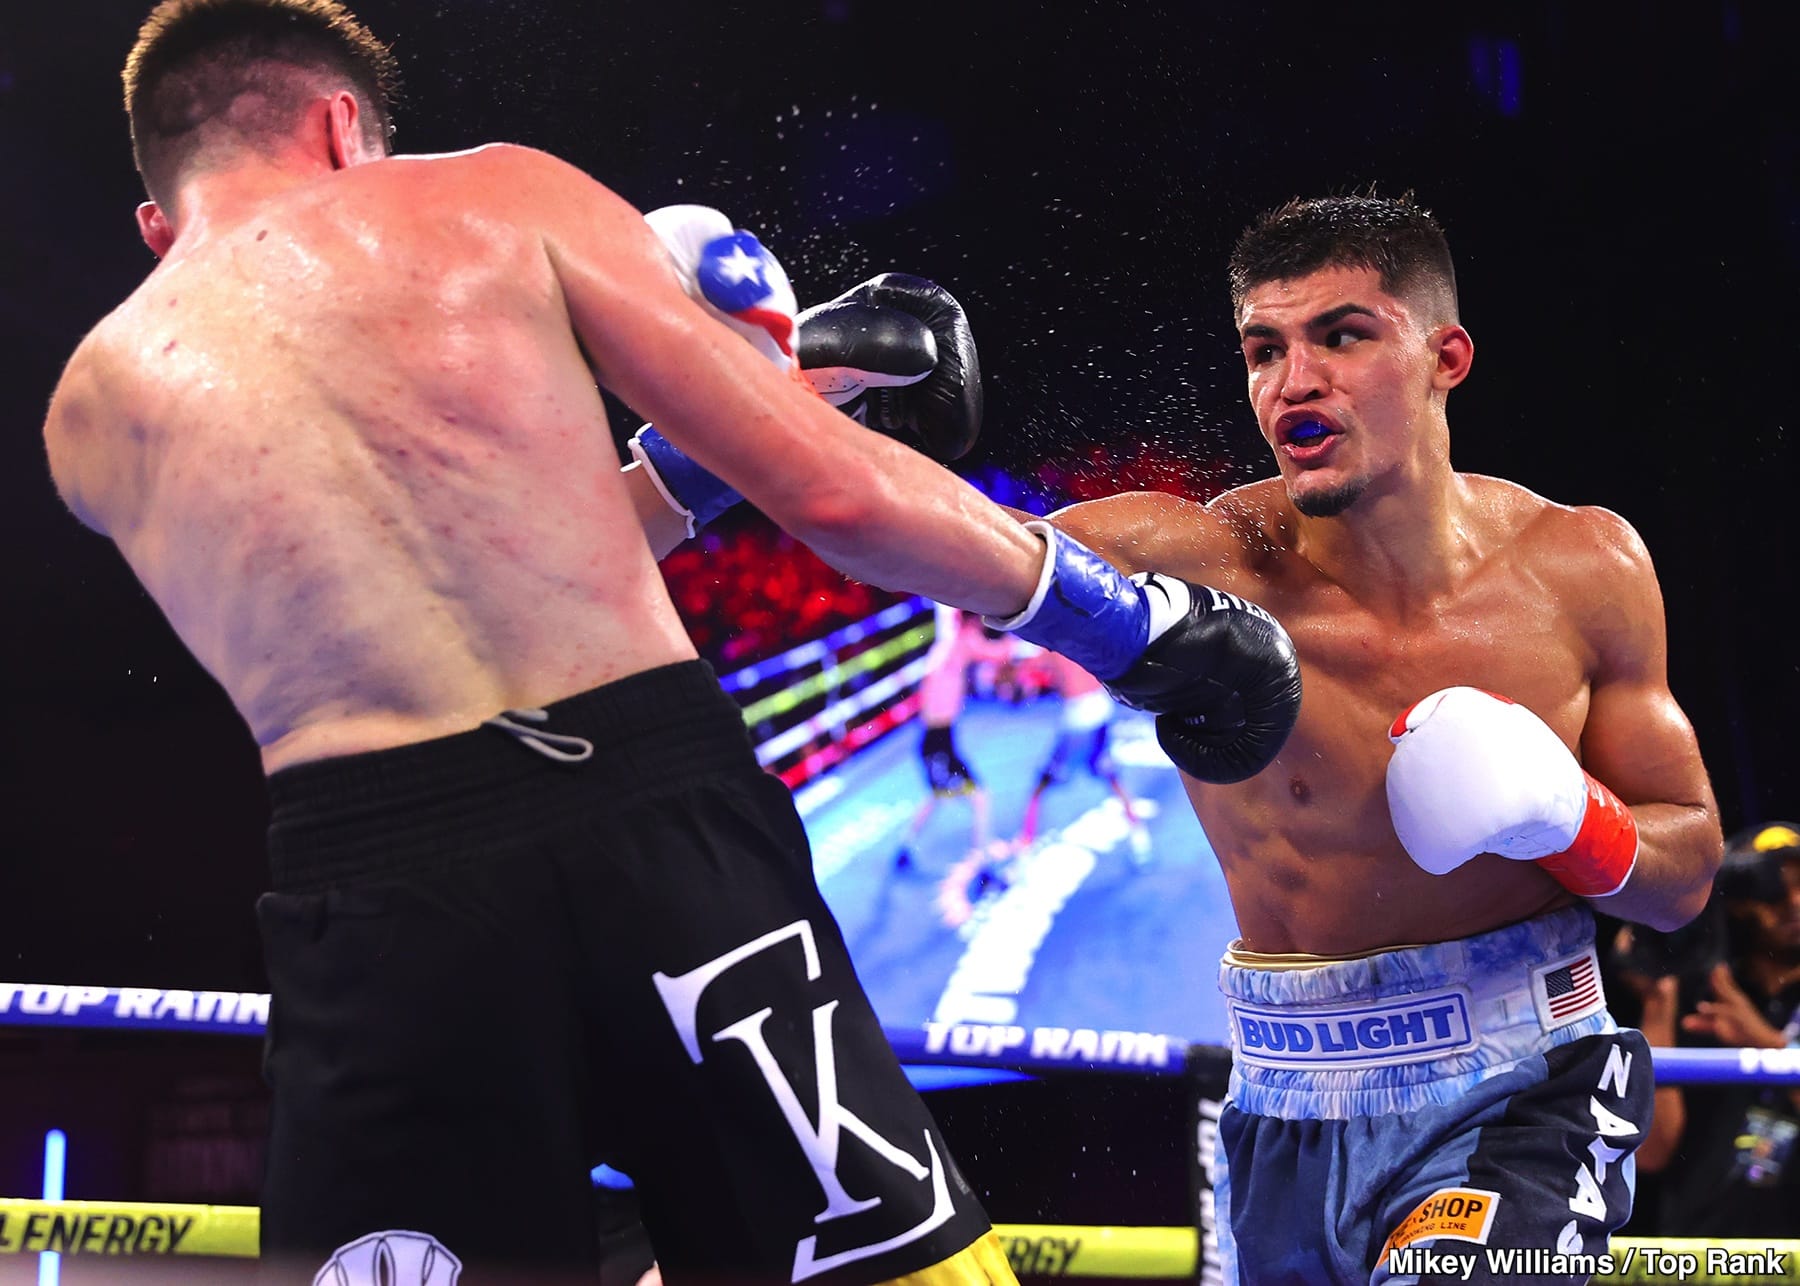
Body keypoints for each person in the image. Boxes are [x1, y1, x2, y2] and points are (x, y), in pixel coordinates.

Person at [42, 2, 1302, 1282]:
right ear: (340, 123)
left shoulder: (90, 411)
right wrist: (1151, 629)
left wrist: (690, 468)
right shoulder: (490, 196)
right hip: (649, 810)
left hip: (375, 898)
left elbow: (450, 581)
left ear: (156, 218)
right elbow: (838, 498)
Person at [1032, 193, 1723, 1283]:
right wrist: (832, 407)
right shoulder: (1197, 563)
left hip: (1525, 1083)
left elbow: (1683, 872)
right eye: (1265, 348)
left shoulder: (1583, 567)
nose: (1292, 380)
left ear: (1446, 355)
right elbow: (927, 547)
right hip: (1281, 1101)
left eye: (1343, 336)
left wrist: (1567, 817)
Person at [1618, 822, 1800, 1237]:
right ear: (1738, 903)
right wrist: (1658, 1000)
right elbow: (1650, 1153)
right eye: (1773, 890)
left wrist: (1762, 1041)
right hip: (1697, 1258)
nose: (1793, 902)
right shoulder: (1696, 1000)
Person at [1013, 648, 1148, 861]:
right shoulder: (1078, 636)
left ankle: (1026, 843)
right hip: (1101, 706)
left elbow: (1024, 680)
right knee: (1110, 775)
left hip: (1078, 716)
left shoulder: (1050, 647)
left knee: (1041, 784)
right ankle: (1139, 835)